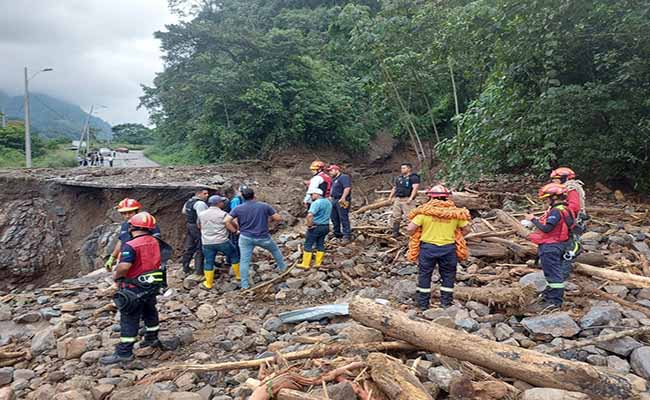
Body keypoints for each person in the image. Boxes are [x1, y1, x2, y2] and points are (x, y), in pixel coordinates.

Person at [100, 212, 164, 365]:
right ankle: (151, 338)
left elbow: (124, 266)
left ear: (131, 227)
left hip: (133, 286)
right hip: (151, 284)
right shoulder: (154, 241)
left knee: (129, 317)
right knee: (150, 310)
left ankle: (124, 352)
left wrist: (116, 277)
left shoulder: (131, 245)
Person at [406, 185, 471, 309]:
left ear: (430, 197)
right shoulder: (455, 214)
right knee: (448, 275)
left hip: (428, 248)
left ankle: (423, 304)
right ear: (446, 198)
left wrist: (421, 232)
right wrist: (456, 234)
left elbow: (410, 229)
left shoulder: (424, 213)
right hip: (448, 249)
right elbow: (467, 229)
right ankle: (446, 303)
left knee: (425, 274)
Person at [525, 183, 576, 311]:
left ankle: (554, 302)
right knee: (553, 273)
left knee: (553, 275)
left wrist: (533, 220)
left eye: (547, 198)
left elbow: (547, 228)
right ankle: (549, 296)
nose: (546, 201)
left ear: (554, 197)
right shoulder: (567, 209)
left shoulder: (556, 211)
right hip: (561, 244)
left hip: (551, 247)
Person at [225, 188, 286, 289]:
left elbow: (226, 221)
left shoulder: (238, 208)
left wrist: (235, 231)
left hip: (245, 238)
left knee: (244, 261)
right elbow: (278, 218)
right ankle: (283, 269)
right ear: (254, 195)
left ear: (242, 197)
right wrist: (269, 221)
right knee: (275, 250)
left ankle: (244, 284)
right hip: (263, 236)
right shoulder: (264, 206)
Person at [105, 198, 160, 271]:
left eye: (130, 212)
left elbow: (156, 242)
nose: (127, 216)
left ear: (136, 211)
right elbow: (121, 241)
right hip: (125, 258)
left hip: (143, 260)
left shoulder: (147, 223)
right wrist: (112, 257)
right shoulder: (125, 225)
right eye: (124, 213)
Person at [198, 195, 240, 289]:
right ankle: (238, 276)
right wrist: (235, 231)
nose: (223, 203)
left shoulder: (201, 214)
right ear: (218, 203)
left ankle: (208, 283)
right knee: (234, 255)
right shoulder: (223, 214)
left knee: (209, 261)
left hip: (207, 242)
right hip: (222, 241)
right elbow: (229, 223)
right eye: (221, 202)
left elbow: (199, 226)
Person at [298, 188, 333, 270]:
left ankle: (305, 264)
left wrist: (309, 225)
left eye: (312, 194)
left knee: (308, 244)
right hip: (325, 226)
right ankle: (318, 263)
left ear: (317, 194)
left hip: (316, 226)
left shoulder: (316, 203)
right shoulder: (328, 202)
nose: (311, 196)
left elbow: (310, 215)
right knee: (320, 244)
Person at [181, 189, 209, 276]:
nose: (207, 195)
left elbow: (184, 211)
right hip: (197, 228)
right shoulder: (200, 204)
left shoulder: (189, 202)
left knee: (189, 247)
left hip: (190, 225)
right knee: (200, 248)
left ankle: (185, 267)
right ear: (199, 194)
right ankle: (199, 271)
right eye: (205, 193)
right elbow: (202, 217)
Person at [388, 163, 421, 237]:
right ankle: (395, 232)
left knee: (410, 216)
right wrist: (390, 197)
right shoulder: (399, 178)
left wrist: (411, 198)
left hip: (407, 198)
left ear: (409, 169)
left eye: (404, 168)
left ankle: (413, 233)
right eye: (401, 168)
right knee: (396, 216)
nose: (402, 170)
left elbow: (415, 188)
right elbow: (395, 187)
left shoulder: (414, 177)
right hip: (398, 198)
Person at [328, 164, 352, 242]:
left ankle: (347, 235)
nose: (330, 172)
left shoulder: (344, 177)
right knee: (334, 217)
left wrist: (343, 197)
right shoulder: (334, 179)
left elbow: (347, 187)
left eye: (331, 170)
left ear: (337, 170)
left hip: (343, 200)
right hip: (334, 200)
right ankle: (337, 232)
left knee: (343, 216)